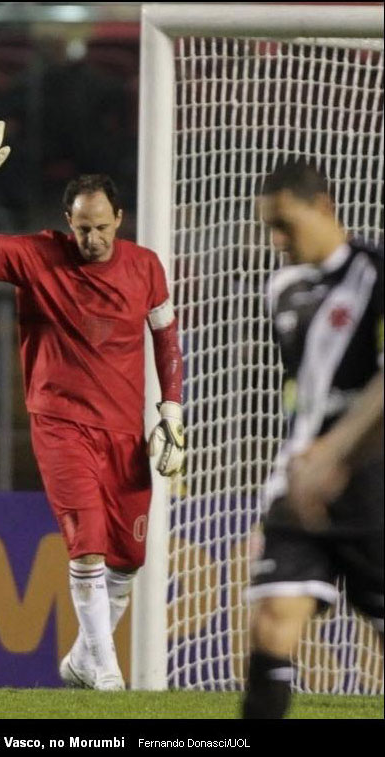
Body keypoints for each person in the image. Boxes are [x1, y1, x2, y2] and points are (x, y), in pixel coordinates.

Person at [0, 118, 185, 690]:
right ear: (68, 223)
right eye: (83, 229)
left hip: (126, 433)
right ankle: (107, 668)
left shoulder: (145, 266)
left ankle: (85, 656)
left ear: (119, 221)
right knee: (87, 546)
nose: (93, 239)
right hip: (60, 424)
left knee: (128, 558)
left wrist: (172, 408)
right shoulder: (39, 257)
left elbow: (165, 338)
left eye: (102, 228)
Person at [242, 159, 383, 719]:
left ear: (324, 207)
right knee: (272, 621)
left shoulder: (375, 274)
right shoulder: (283, 290)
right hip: (302, 492)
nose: (277, 241)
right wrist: (281, 482)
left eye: (286, 225)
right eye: (269, 228)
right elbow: (303, 402)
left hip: (373, 491)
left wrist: (334, 452)